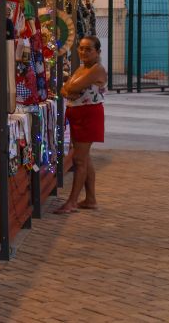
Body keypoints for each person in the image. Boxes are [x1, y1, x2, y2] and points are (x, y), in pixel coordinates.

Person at [54, 35, 106, 214]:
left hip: (88, 117)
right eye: (81, 48)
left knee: (79, 160)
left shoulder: (97, 69)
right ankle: (90, 199)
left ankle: (72, 202)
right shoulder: (82, 67)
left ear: (98, 52)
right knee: (85, 158)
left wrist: (70, 89)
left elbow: (72, 88)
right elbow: (64, 89)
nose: (83, 52)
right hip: (77, 116)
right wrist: (69, 89)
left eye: (88, 49)